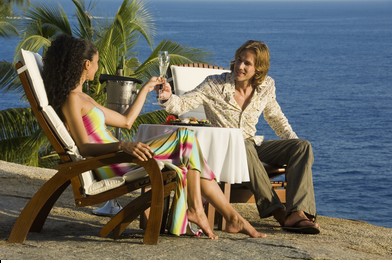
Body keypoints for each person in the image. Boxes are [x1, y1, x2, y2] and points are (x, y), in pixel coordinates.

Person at [42, 34, 266, 239]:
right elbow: (83, 147)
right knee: (186, 138)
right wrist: (123, 145)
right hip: (113, 163)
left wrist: (146, 89)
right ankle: (204, 211)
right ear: (86, 64)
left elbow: (126, 121)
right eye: (97, 62)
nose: (98, 67)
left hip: (120, 156)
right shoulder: (73, 99)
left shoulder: (84, 98)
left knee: (189, 151)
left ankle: (222, 215)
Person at [158, 40, 320, 234]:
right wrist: (167, 97)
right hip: (224, 150)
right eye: (238, 60)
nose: (240, 66)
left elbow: (276, 117)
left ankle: (298, 212)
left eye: (247, 63)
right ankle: (279, 213)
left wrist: (292, 141)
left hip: (251, 145)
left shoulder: (266, 86)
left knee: (302, 147)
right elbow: (181, 105)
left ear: (258, 68)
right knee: (242, 143)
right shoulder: (215, 84)